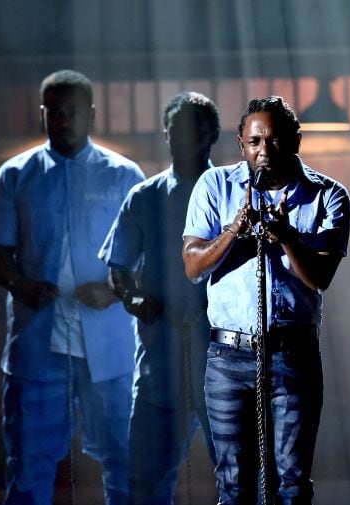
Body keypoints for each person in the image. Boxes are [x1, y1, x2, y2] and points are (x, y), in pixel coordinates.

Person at [0, 69, 144, 504]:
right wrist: (23, 285)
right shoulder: (15, 175)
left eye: (73, 111)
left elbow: (144, 257)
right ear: (43, 114)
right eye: (55, 112)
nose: (64, 120)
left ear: (91, 114)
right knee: (28, 469)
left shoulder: (123, 175)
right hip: (38, 348)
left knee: (126, 467)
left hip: (109, 350)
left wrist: (112, 291)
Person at [182, 95, 350, 505]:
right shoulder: (214, 186)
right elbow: (193, 266)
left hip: (292, 356)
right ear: (241, 143)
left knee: (291, 484)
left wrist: (289, 236)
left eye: (274, 142)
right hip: (228, 358)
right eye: (255, 142)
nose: (264, 152)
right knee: (234, 485)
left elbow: (320, 278)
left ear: (296, 140)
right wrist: (234, 231)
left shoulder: (328, 195)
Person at [99, 91, 220, 504]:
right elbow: (117, 267)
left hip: (226, 363)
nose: (183, 138)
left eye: (195, 130)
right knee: (146, 486)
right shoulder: (145, 197)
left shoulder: (235, 194)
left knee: (243, 481)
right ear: (165, 134)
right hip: (159, 363)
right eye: (175, 130)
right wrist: (132, 299)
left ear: (213, 135)